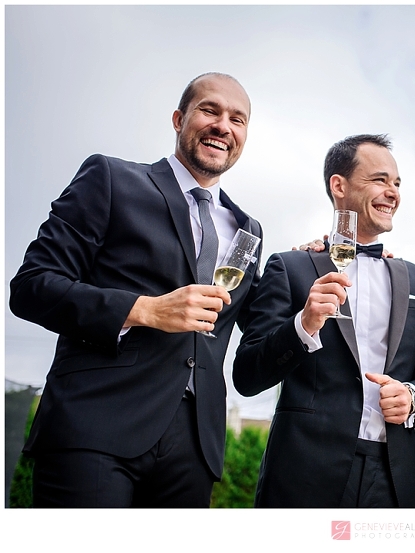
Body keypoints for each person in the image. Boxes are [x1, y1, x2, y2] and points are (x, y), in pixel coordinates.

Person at [9, 72, 263, 507]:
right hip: (96, 424)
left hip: (193, 449)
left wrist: (308, 263)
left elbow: (257, 321)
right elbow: (32, 286)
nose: (224, 125)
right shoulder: (110, 177)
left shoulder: (249, 229)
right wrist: (144, 310)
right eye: (209, 110)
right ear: (179, 119)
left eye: (237, 119)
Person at [232, 134, 415, 507]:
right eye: (380, 179)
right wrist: (304, 325)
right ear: (339, 185)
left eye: (397, 183)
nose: (392, 192)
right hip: (304, 474)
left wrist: (413, 397)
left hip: (397, 480)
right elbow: (247, 376)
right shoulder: (291, 267)